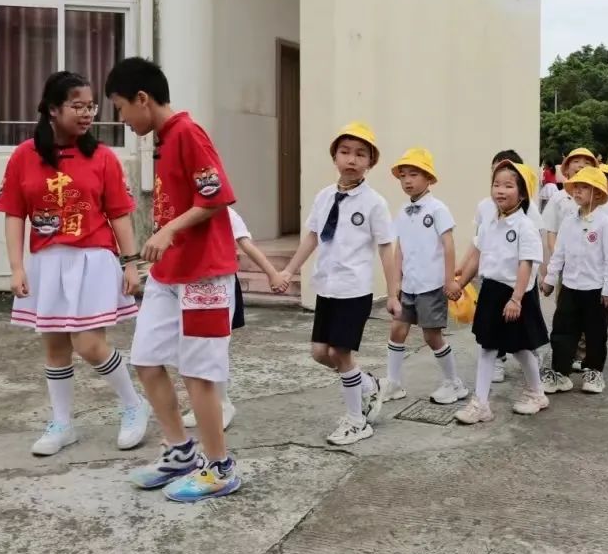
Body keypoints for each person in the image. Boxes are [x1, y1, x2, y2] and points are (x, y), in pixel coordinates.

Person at [107, 57, 241, 502]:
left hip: (204, 272)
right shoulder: (164, 140)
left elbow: (217, 196)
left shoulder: (187, 133)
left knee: (199, 373)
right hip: (169, 273)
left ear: (143, 99)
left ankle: (219, 467)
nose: (121, 119)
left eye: (121, 107)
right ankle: (180, 451)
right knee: (146, 358)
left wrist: (166, 231)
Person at [0, 71, 148, 457]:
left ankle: (134, 405)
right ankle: (62, 423)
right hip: (46, 261)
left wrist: (131, 264)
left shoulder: (103, 157)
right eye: (77, 106)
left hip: (92, 259)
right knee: (55, 346)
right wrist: (16, 267)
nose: (87, 114)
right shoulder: (24, 156)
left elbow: (120, 215)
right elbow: (14, 214)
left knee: (90, 344)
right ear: (51, 109)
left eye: (90, 106)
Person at [276, 122, 398, 445]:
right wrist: (290, 270)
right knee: (320, 353)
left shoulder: (375, 203)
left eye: (361, 154)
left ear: (370, 163)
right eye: (345, 152)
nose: (352, 159)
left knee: (340, 353)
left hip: (354, 289)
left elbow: (387, 248)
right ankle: (369, 386)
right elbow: (313, 236)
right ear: (335, 157)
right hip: (327, 287)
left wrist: (394, 293)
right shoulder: (324, 197)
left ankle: (357, 421)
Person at [455, 160, 549, 424]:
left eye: (508, 185)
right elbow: (477, 256)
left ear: (522, 193)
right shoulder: (490, 222)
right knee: (487, 347)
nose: (500, 190)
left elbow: (526, 263)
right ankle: (481, 403)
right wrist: (460, 284)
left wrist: (516, 299)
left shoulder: (524, 226)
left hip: (515, 294)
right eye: (496, 184)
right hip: (492, 291)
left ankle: (537, 392)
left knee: (521, 348)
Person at [181, 206, 286, 431]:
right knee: (191, 349)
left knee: (215, 347)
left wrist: (272, 273)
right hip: (188, 285)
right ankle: (203, 404)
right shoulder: (178, 211)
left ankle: (222, 404)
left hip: (219, 286)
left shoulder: (224, 212)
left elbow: (246, 244)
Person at [380, 148, 468, 405]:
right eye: (403, 176)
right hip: (409, 286)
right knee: (397, 329)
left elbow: (448, 244)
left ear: (428, 177)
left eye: (414, 174)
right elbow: (399, 251)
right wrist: (394, 287)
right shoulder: (402, 212)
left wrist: (450, 279)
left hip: (432, 285)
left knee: (432, 336)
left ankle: (454, 383)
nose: (407, 180)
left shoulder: (438, 208)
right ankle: (394, 383)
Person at [541, 167, 608, 395]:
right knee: (562, 330)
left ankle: (594, 372)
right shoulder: (568, 221)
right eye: (576, 186)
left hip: (595, 290)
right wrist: (550, 279)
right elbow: (559, 254)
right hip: (570, 287)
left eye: (584, 187)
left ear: (596, 193)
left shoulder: (605, 223)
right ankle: (560, 372)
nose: (577, 191)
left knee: (595, 333)